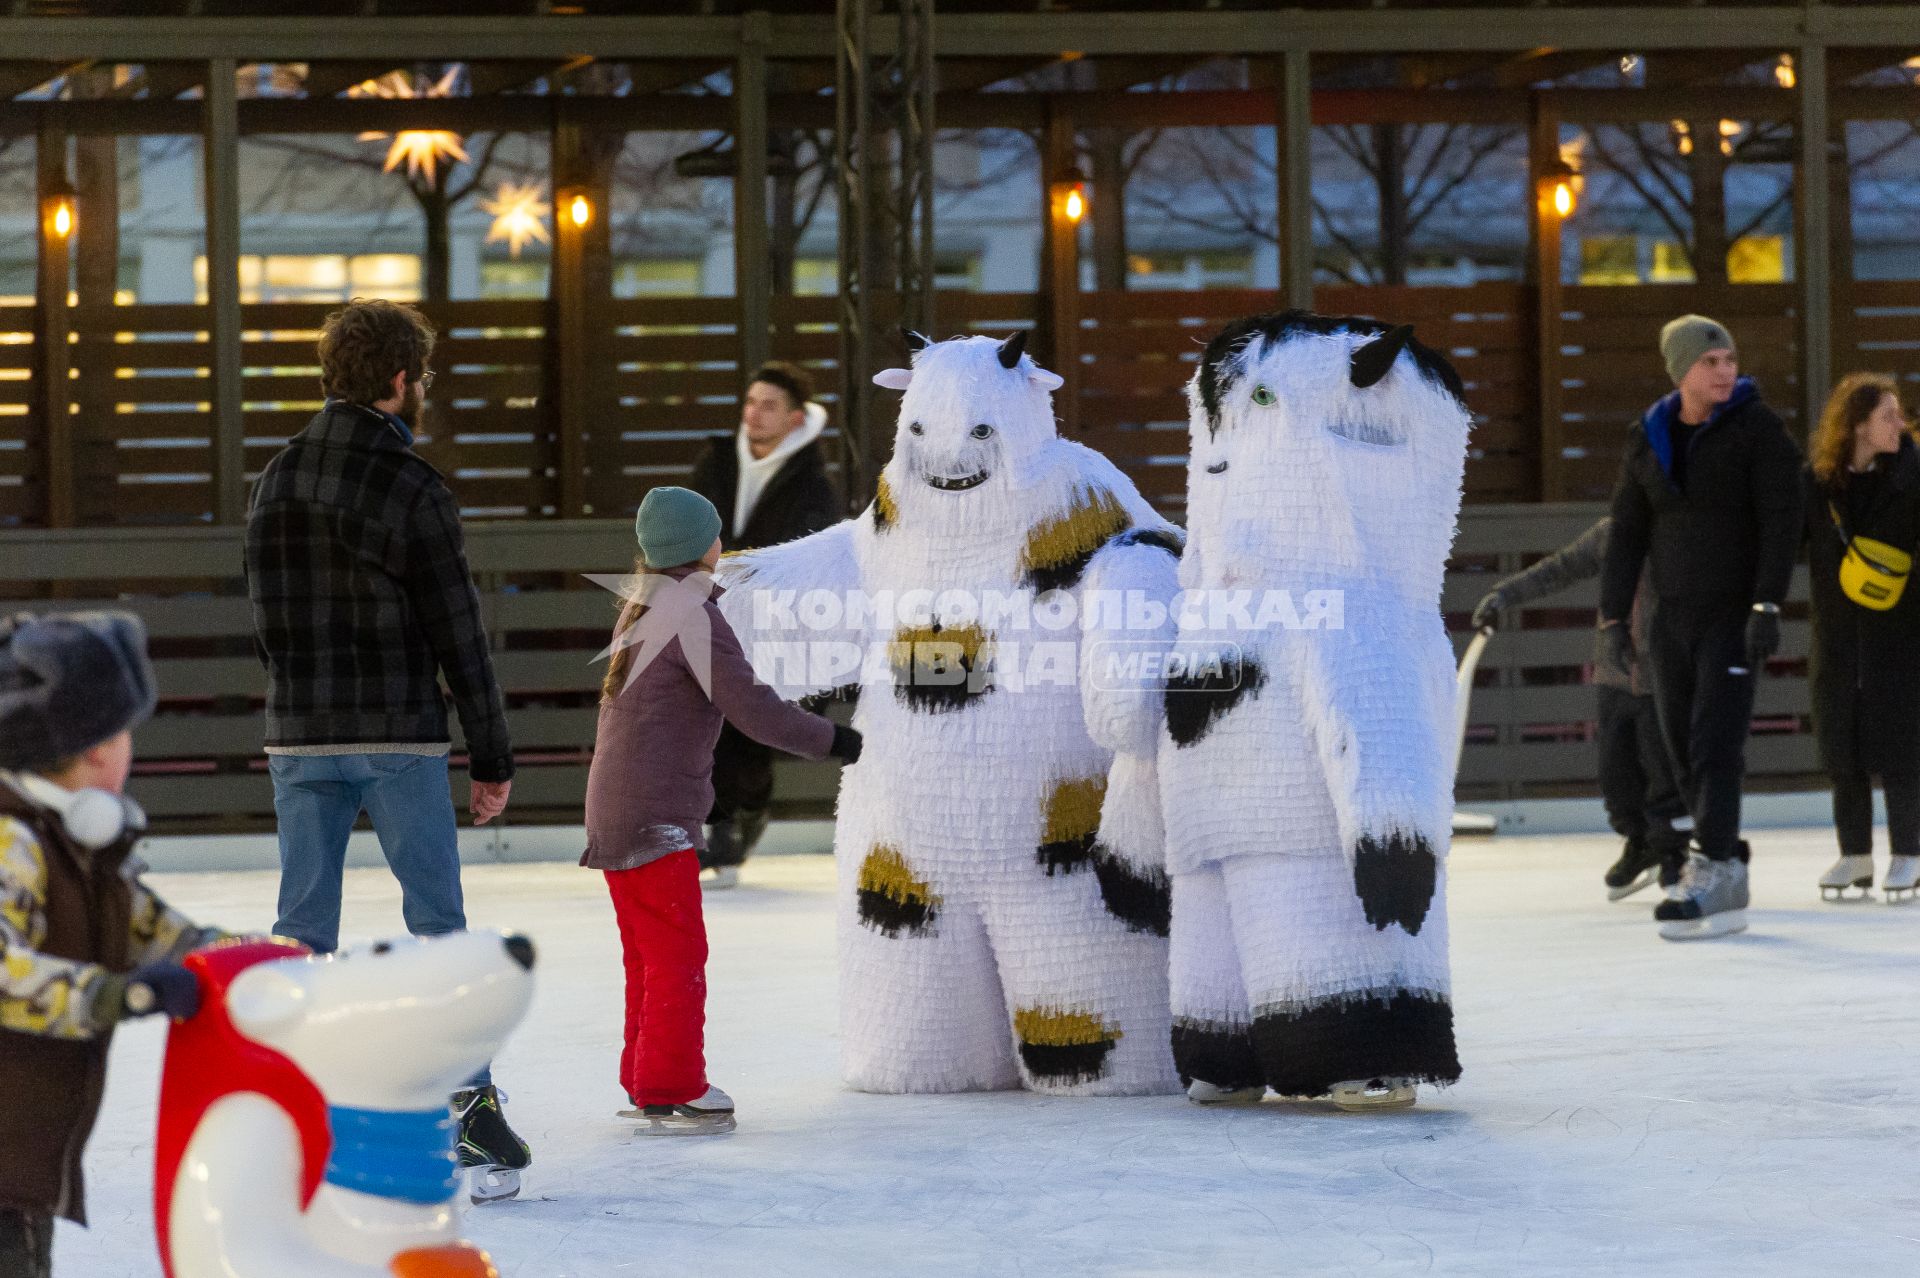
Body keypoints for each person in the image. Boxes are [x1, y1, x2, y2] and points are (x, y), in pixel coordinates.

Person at [243, 298, 528, 1198]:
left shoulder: (276, 478)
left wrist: (297, 704)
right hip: (398, 733)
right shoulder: (414, 487)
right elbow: (458, 633)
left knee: (300, 934)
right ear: (402, 380)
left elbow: (266, 614)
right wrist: (492, 755)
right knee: (438, 930)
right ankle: (469, 1115)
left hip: (300, 733)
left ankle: (284, 1116)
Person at [584, 487, 861, 1135]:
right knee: (677, 952)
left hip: (615, 810)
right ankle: (674, 1081)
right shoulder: (691, 614)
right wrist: (836, 740)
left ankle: (646, 1076)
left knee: (647, 953)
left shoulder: (643, 605)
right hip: (654, 817)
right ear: (700, 545)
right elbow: (754, 708)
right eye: (715, 533)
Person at [0, 612, 226, 1277]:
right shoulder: (14, 841)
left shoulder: (83, 845)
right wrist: (108, 994)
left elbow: (158, 931)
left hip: (20, 1158)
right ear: (97, 745)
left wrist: (246, 960)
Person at [1599, 315, 1804, 940]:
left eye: (1730, 360)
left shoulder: (1759, 432)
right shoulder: (1650, 436)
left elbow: (1782, 520)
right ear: (1681, 369)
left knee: (1716, 741)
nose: (1725, 371)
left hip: (1734, 615)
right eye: (1711, 362)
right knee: (1681, 747)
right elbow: (1627, 532)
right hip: (1672, 617)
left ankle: (1713, 864)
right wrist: (1613, 616)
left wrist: (1768, 604)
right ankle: (1726, 861)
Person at [1473, 518, 1690, 900]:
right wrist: (1505, 594)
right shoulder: (1611, 532)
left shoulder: (1681, 533)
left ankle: (1672, 850)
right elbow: (1561, 567)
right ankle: (1639, 842)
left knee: (1664, 772)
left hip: (1664, 676)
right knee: (1616, 773)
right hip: (1615, 674)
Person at [687, 361, 841, 888]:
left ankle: (738, 824)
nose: (753, 413)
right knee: (702, 723)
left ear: (796, 418)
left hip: (774, 624)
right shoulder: (715, 463)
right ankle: (716, 829)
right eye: (750, 402)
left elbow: (811, 551)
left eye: (768, 404)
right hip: (706, 611)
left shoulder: (814, 483)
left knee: (747, 727)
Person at [1802, 373, 1920, 902]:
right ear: (1858, 427)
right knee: (1840, 743)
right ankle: (1854, 854)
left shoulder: (1913, 476)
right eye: (1889, 417)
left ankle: (1909, 854)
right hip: (1837, 633)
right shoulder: (1819, 483)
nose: (1902, 424)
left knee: (1900, 743)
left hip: (1900, 631)